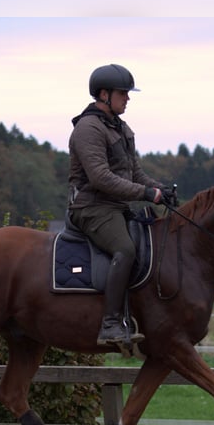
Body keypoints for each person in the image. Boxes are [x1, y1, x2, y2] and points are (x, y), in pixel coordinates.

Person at [67, 63, 172, 347]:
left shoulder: (122, 128)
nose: (127, 98)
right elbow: (100, 178)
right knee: (125, 249)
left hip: (116, 207)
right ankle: (111, 323)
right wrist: (146, 194)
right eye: (122, 93)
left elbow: (135, 172)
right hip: (91, 208)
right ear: (104, 95)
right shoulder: (88, 129)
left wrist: (159, 188)